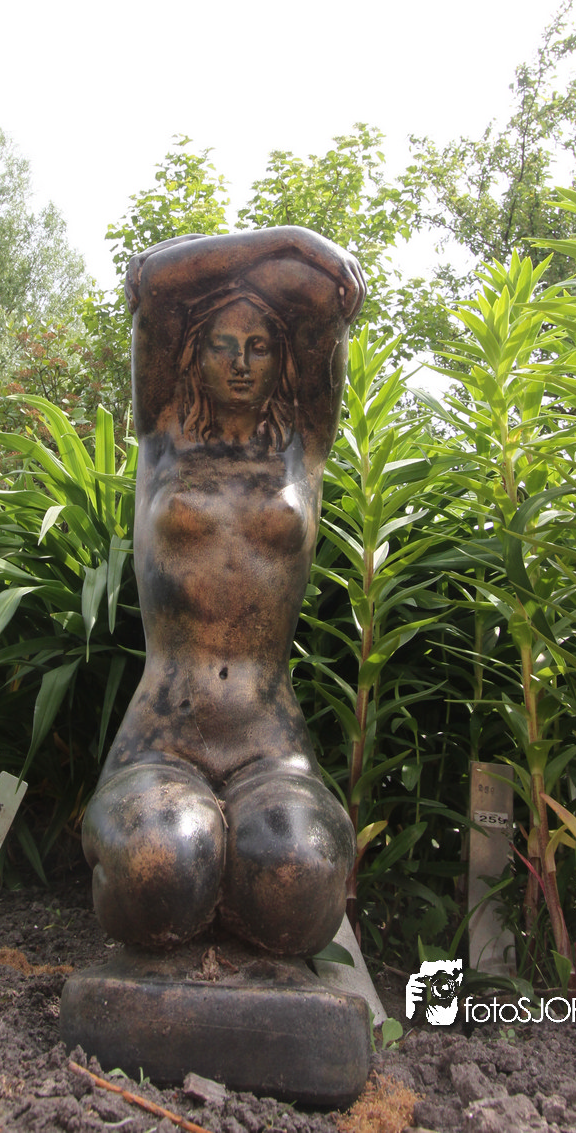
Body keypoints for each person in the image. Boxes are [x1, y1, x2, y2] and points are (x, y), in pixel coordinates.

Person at [82, 226, 366, 956]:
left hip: (268, 740)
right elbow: (152, 283)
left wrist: (312, 258)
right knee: (159, 869)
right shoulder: (162, 436)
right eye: (222, 344)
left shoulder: (303, 446)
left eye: (260, 346)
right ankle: (196, 884)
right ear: (193, 355)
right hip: (163, 735)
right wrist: (289, 241)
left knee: (300, 881)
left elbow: (328, 301)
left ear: (282, 361)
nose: (241, 362)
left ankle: (237, 900)